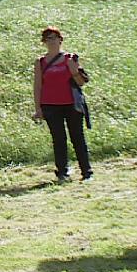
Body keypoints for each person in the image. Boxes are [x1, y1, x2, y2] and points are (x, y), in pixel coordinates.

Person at [32, 26, 93, 182]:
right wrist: (38, 108)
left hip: (72, 104)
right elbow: (38, 86)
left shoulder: (70, 58)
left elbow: (81, 83)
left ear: (61, 39)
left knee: (77, 137)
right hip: (50, 105)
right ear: (44, 42)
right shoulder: (40, 62)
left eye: (54, 37)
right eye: (48, 39)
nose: (51, 41)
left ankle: (87, 172)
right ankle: (62, 173)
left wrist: (74, 71)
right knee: (58, 139)